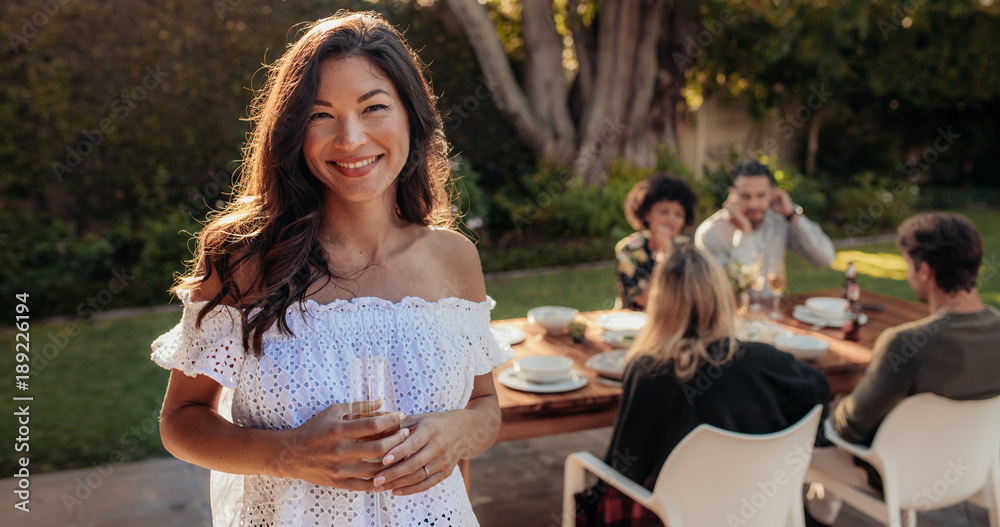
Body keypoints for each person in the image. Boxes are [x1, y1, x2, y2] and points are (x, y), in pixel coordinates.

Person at [151, 12, 512, 527]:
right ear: (294, 131)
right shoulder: (244, 260)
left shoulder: (456, 259)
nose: (350, 138)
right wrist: (288, 454)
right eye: (321, 115)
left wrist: (457, 432)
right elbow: (180, 422)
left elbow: (485, 407)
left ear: (412, 115)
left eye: (374, 108)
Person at [578, 243, 830, 526]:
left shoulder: (648, 370)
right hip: (758, 512)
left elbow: (625, 466)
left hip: (674, 516)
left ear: (659, 303)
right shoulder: (765, 359)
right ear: (721, 296)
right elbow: (818, 391)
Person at [805, 212, 1000, 526]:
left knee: (801, 427)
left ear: (924, 270)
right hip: (970, 468)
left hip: (895, 473)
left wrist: (834, 405)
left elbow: (849, 428)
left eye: (908, 264)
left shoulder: (907, 344)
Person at [695, 161, 834, 276]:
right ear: (732, 194)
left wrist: (792, 216)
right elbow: (732, 284)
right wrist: (744, 232)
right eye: (746, 196)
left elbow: (825, 258)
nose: (753, 204)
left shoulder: (779, 221)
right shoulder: (711, 233)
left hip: (774, 308)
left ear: (772, 193)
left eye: (761, 195)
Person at [615, 173, 698, 310]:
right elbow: (643, 302)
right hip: (635, 322)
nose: (671, 219)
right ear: (647, 214)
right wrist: (663, 257)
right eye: (664, 212)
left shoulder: (687, 247)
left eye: (678, 214)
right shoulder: (629, 249)